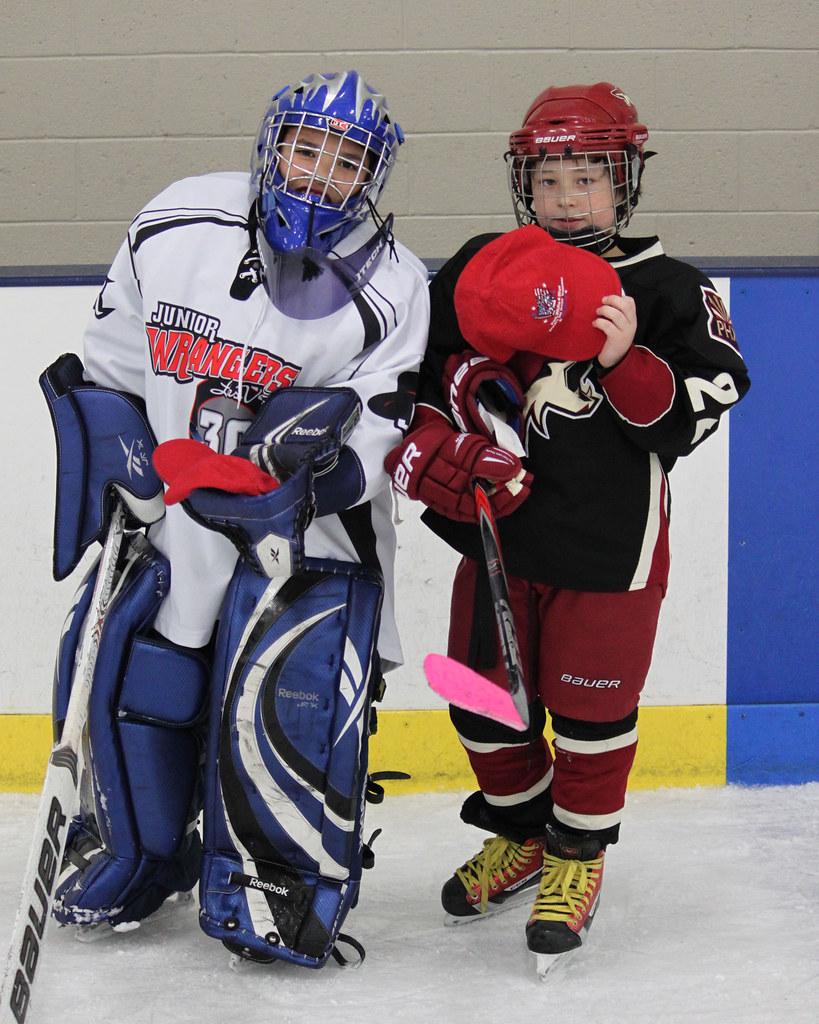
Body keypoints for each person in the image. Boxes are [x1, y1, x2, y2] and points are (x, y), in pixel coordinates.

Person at [49, 69, 430, 966]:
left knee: (280, 710)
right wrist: (115, 443)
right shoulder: (178, 221)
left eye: (346, 162)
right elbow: (113, 363)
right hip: (179, 522)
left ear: (371, 177)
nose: (317, 175)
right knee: (141, 677)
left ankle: (279, 883)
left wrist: (307, 468)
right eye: (305, 148)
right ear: (271, 145)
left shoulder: (394, 286)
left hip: (308, 554)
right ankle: (143, 855)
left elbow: (375, 438)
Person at [385, 82, 750, 972]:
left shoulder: (669, 287)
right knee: (478, 701)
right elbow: (420, 375)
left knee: (590, 716)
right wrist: (435, 439)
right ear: (524, 185)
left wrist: (624, 359)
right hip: (494, 539)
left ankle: (575, 860)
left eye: (588, 178)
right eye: (549, 181)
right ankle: (521, 834)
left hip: (607, 556)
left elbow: (700, 410)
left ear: (624, 182)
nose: (566, 199)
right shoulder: (485, 262)